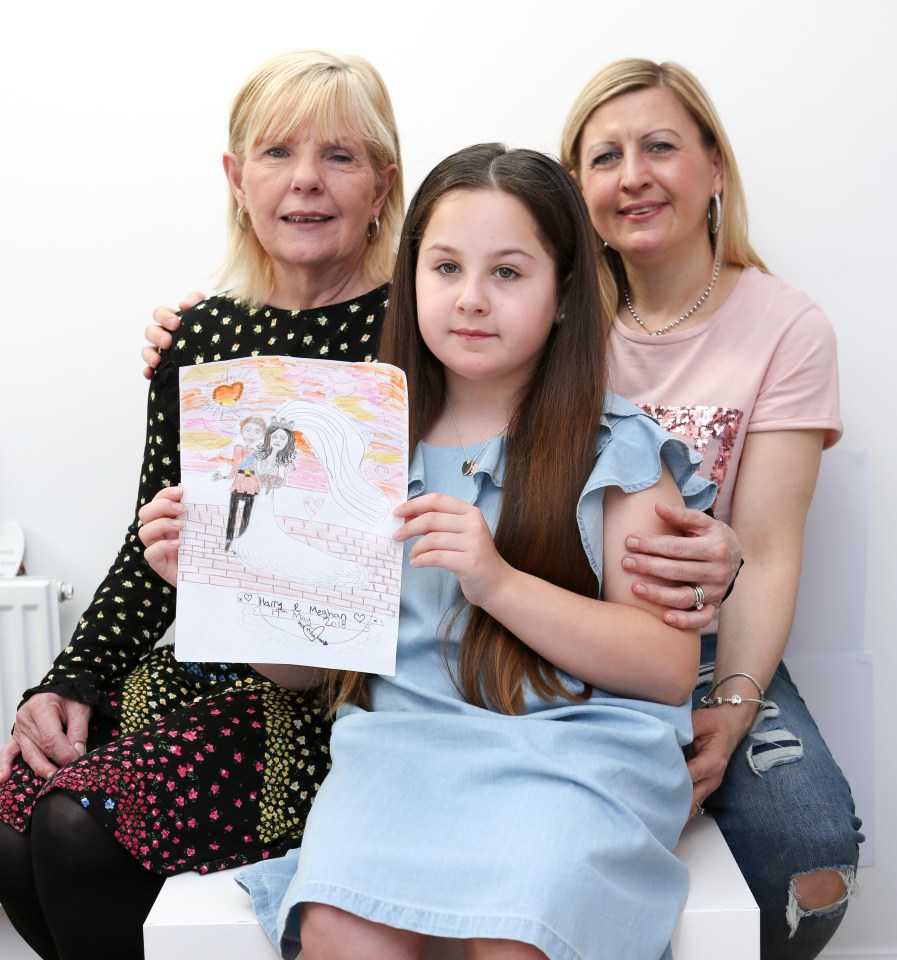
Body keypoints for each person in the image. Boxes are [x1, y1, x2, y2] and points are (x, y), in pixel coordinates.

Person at [143, 142, 719, 960]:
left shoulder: (616, 449)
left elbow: (665, 666)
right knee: (337, 927)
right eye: (445, 268)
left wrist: (497, 581)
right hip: (403, 749)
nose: (471, 300)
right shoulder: (359, 444)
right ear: (410, 279)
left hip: (575, 757)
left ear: (562, 296)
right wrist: (209, 583)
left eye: (509, 273)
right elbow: (313, 668)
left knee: (515, 931)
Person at [0, 48, 402, 960]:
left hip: (332, 693)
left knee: (74, 825)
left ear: (383, 184)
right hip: (199, 660)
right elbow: (155, 532)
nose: (305, 181)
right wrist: (69, 679)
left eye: (339, 157)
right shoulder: (202, 333)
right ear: (236, 178)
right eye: (276, 154)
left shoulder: (415, 326)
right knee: (14, 812)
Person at [559, 59, 862, 959]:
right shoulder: (547, 314)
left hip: (706, 646)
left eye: (659, 146)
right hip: (565, 636)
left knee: (811, 854)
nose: (633, 175)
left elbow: (765, 553)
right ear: (576, 188)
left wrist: (730, 710)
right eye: (604, 157)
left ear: (714, 167)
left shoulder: (785, 326)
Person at [214, 415, 267, 551]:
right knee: (232, 514)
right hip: (238, 483)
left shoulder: (259, 452)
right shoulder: (238, 448)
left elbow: (260, 470)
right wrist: (225, 477)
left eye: (257, 432)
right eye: (248, 430)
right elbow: (235, 467)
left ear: (262, 435)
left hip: (252, 484)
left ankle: (242, 542)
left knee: (246, 515)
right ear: (242, 431)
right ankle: (228, 539)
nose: (251, 435)